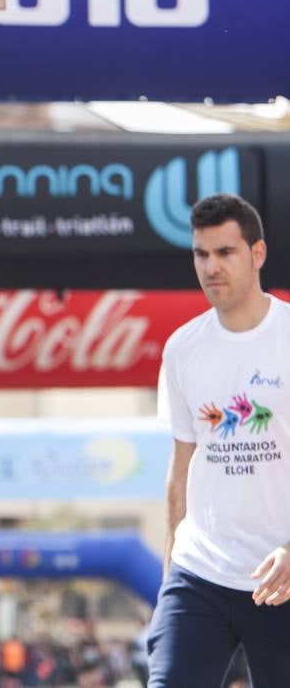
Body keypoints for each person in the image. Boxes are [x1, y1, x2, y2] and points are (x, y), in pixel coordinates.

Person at [147, 193, 290, 687]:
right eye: (200, 254)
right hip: (200, 576)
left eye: (225, 252)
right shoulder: (182, 348)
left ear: (258, 254)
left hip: (282, 576)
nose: (211, 267)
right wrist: (170, 571)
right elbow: (180, 467)